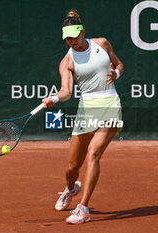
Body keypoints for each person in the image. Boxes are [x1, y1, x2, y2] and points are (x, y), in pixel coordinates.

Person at [42, 9, 124, 224]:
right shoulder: (66, 61)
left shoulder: (102, 44)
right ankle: (71, 189)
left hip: (110, 104)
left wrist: (116, 73)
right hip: (87, 109)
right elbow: (66, 92)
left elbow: (120, 64)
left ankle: (83, 208)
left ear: (83, 32)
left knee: (94, 152)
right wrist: (54, 99)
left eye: (74, 37)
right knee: (72, 168)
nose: (72, 42)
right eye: (67, 39)